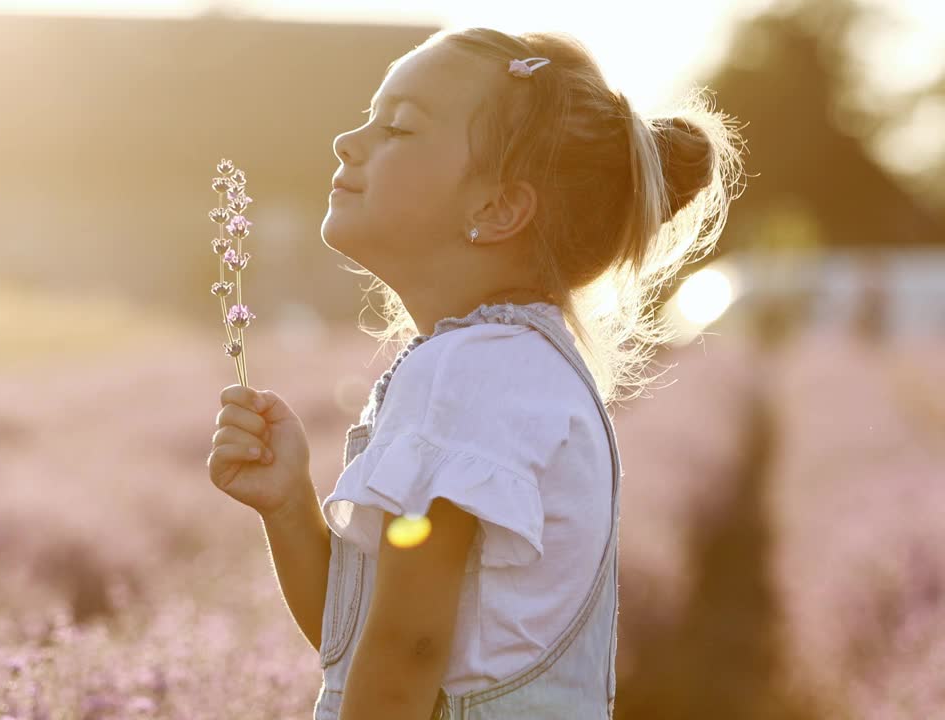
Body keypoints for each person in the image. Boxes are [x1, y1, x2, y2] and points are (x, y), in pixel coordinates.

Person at [208, 26, 743, 719]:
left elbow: (406, 653)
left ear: (497, 209)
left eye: (398, 127)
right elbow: (368, 646)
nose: (349, 140)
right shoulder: (504, 364)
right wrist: (288, 507)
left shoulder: (471, 372)